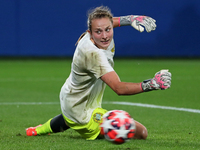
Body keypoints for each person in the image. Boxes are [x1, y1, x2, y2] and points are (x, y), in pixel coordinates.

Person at [26, 6, 171, 140]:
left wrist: (131, 19)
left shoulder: (98, 33)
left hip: (73, 96)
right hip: (82, 113)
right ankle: (70, 123)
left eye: (108, 29)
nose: (105, 36)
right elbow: (118, 88)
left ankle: (38, 130)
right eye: (98, 32)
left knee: (69, 117)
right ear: (90, 32)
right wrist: (151, 84)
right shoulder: (93, 55)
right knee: (141, 133)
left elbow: (106, 23)